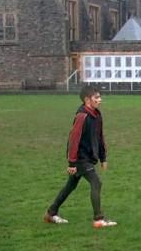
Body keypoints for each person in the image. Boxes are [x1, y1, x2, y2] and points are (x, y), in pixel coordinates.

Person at [44, 85, 117, 228]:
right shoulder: (82, 116)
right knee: (96, 183)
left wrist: (103, 158)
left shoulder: (97, 115)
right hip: (80, 159)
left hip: (88, 158)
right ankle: (98, 219)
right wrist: (71, 163)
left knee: (70, 186)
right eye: (96, 97)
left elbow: (100, 137)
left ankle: (51, 213)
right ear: (87, 99)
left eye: (100, 97)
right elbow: (73, 140)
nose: (100, 100)